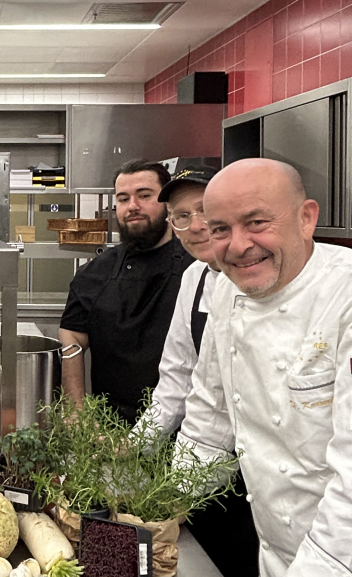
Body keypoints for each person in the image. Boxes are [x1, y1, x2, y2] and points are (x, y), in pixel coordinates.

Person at [175, 158, 352, 577]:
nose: (237, 246)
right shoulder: (226, 290)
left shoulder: (343, 298)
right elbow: (210, 418)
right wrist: (164, 502)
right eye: (220, 229)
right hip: (275, 553)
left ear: (306, 218)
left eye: (256, 222)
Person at [131, 165, 258, 576]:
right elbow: (181, 382)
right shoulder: (196, 278)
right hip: (215, 474)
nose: (197, 226)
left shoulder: (262, 278)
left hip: (266, 475)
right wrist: (133, 454)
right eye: (182, 216)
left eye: (206, 211)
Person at [59, 159, 193, 423]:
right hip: (110, 430)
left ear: (167, 202)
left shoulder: (196, 267)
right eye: (123, 199)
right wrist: (77, 414)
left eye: (144, 195)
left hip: (186, 433)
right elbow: (72, 338)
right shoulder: (94, 273)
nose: (133, 206)